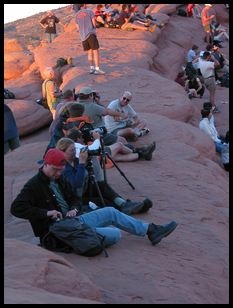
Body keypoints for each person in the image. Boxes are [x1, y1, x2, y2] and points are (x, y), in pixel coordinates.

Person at [11, 148, 178, 248]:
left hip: (74, 220)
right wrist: (45, 213)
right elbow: (16, 208)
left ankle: (151, 230)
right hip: (57, 232)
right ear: (45, 165)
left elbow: (75, 198)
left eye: (61, 170)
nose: (58, 173)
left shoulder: (60, 179)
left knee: (111, 212)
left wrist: (74, 208)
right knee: (115, 235)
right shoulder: (33, 185)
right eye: (55, 170)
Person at [66, 128, 156, 162]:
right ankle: (139, 151)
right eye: (81, 137)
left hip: (96, 158)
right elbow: (93, 149)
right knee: (119, 145)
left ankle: (143, 155)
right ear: (77, 139)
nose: (82, 138)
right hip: (97, 157)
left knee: (118, 157)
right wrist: (97, 138)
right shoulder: (76, 146)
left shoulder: (71, 146)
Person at [74, 4, 105, 75]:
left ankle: (91, 68)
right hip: (90, 34)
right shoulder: (89, 11)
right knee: (95, 51)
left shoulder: (76, 15)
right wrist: (94, 29)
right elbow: (94, 22)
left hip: (83, 36)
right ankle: (97, 69)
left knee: (89, 52)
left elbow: (77, 28)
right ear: (84, 5)